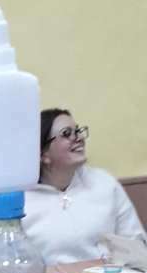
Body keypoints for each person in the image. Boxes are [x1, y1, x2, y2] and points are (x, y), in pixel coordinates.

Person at [22, 108, 146, 264]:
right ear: (43, 154)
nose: (78, 138)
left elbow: (136, 243)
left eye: (78, 131)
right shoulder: (21, 199)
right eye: (66, 133)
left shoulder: (105, 183)